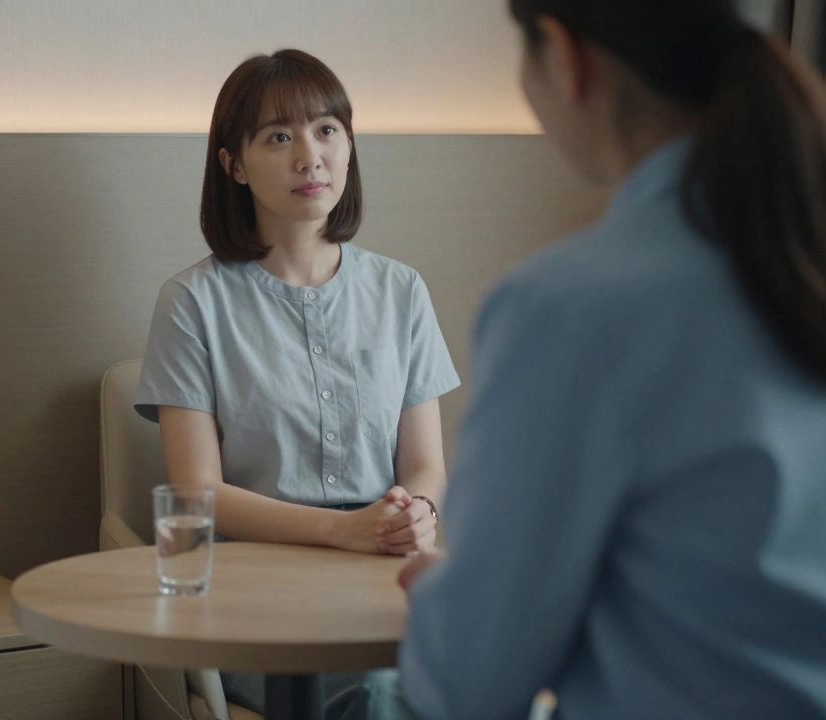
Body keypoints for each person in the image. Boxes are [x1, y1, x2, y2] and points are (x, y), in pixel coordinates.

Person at [393, 2, 826, 718]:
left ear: (566, 56)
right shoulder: (793, 256)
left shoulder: (565, 308)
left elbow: (470, 682)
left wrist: (453, 596)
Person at [133, 49, 460, 719]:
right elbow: (199, 496)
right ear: (232, 163)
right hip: (253, 600)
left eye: (327, 130)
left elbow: (426, 465)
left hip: (386, 583)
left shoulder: (401, 291)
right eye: (279, 137)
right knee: (381, 694)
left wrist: (415, 515)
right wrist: (343, 533)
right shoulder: (192, 302)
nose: (310, 156)